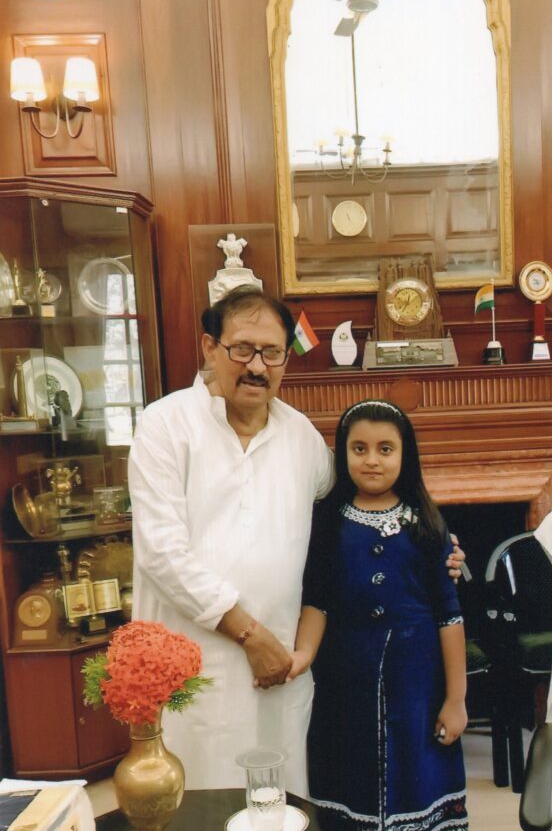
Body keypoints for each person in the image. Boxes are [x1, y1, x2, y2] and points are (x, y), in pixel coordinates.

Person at [128, 289, 464, 795]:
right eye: (242, 349)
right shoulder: (165, 426)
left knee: (280, 808)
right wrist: (249, 635)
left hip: (280, 667)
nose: (257, 367)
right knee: (198, 805)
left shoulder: (301, 436)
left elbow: (356, 507)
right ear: (210, 347)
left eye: (272, 353)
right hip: (199, 664)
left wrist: (429, 545)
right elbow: (161, 553)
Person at [290, 399, 469, 831]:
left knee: (416, 770)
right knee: (348, 773)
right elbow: (318, 600)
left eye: (385, 449)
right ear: (342, 454)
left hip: (417, 683)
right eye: (359, 449)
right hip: (344, 680)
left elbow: (449, 616)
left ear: (406, 455)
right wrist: (303, 654)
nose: (372, 460)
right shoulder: (327, 521)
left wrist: (456, 699)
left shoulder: (426, 524)